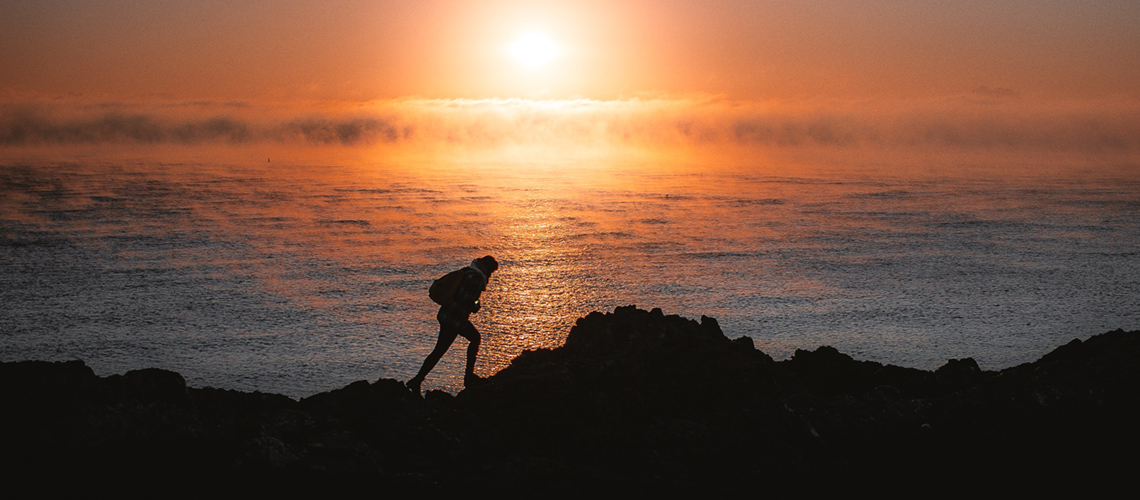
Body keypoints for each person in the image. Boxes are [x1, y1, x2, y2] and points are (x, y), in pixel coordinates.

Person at [406, 255, 499, 395]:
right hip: (455, 319)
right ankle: (466, 377)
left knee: (442, 349)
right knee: (467, 341)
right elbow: (467, 301)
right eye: (492, 271)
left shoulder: (469, 271)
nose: (491, 275)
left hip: (447, 314)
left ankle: (418, 379)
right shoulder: (477, 279)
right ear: (488, 269)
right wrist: (476, 306)